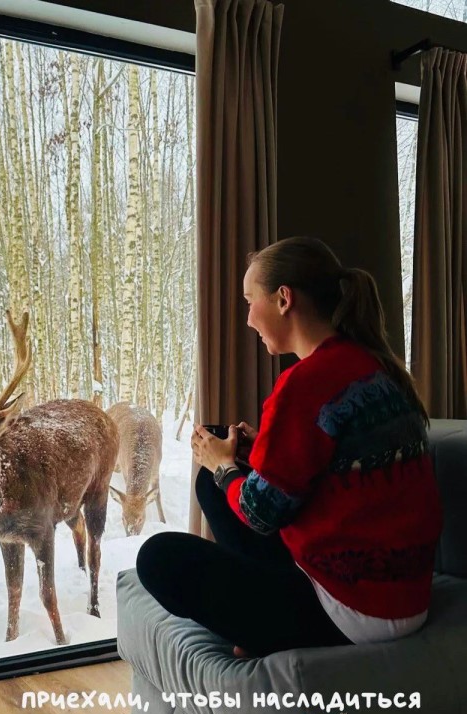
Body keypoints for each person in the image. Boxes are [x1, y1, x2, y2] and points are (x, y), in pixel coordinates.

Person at [136, 236, 443, 659]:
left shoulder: (305, 384)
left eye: (250, 301)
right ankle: (259, 617)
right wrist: (254, 452)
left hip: (353, 610)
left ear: (283, 299)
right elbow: (337, 468)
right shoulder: (374, 366)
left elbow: (261, 514)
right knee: (212, 482)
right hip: (404, 597)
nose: (248, 319)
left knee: (158, 558)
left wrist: (224, 466)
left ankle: (265, 631)